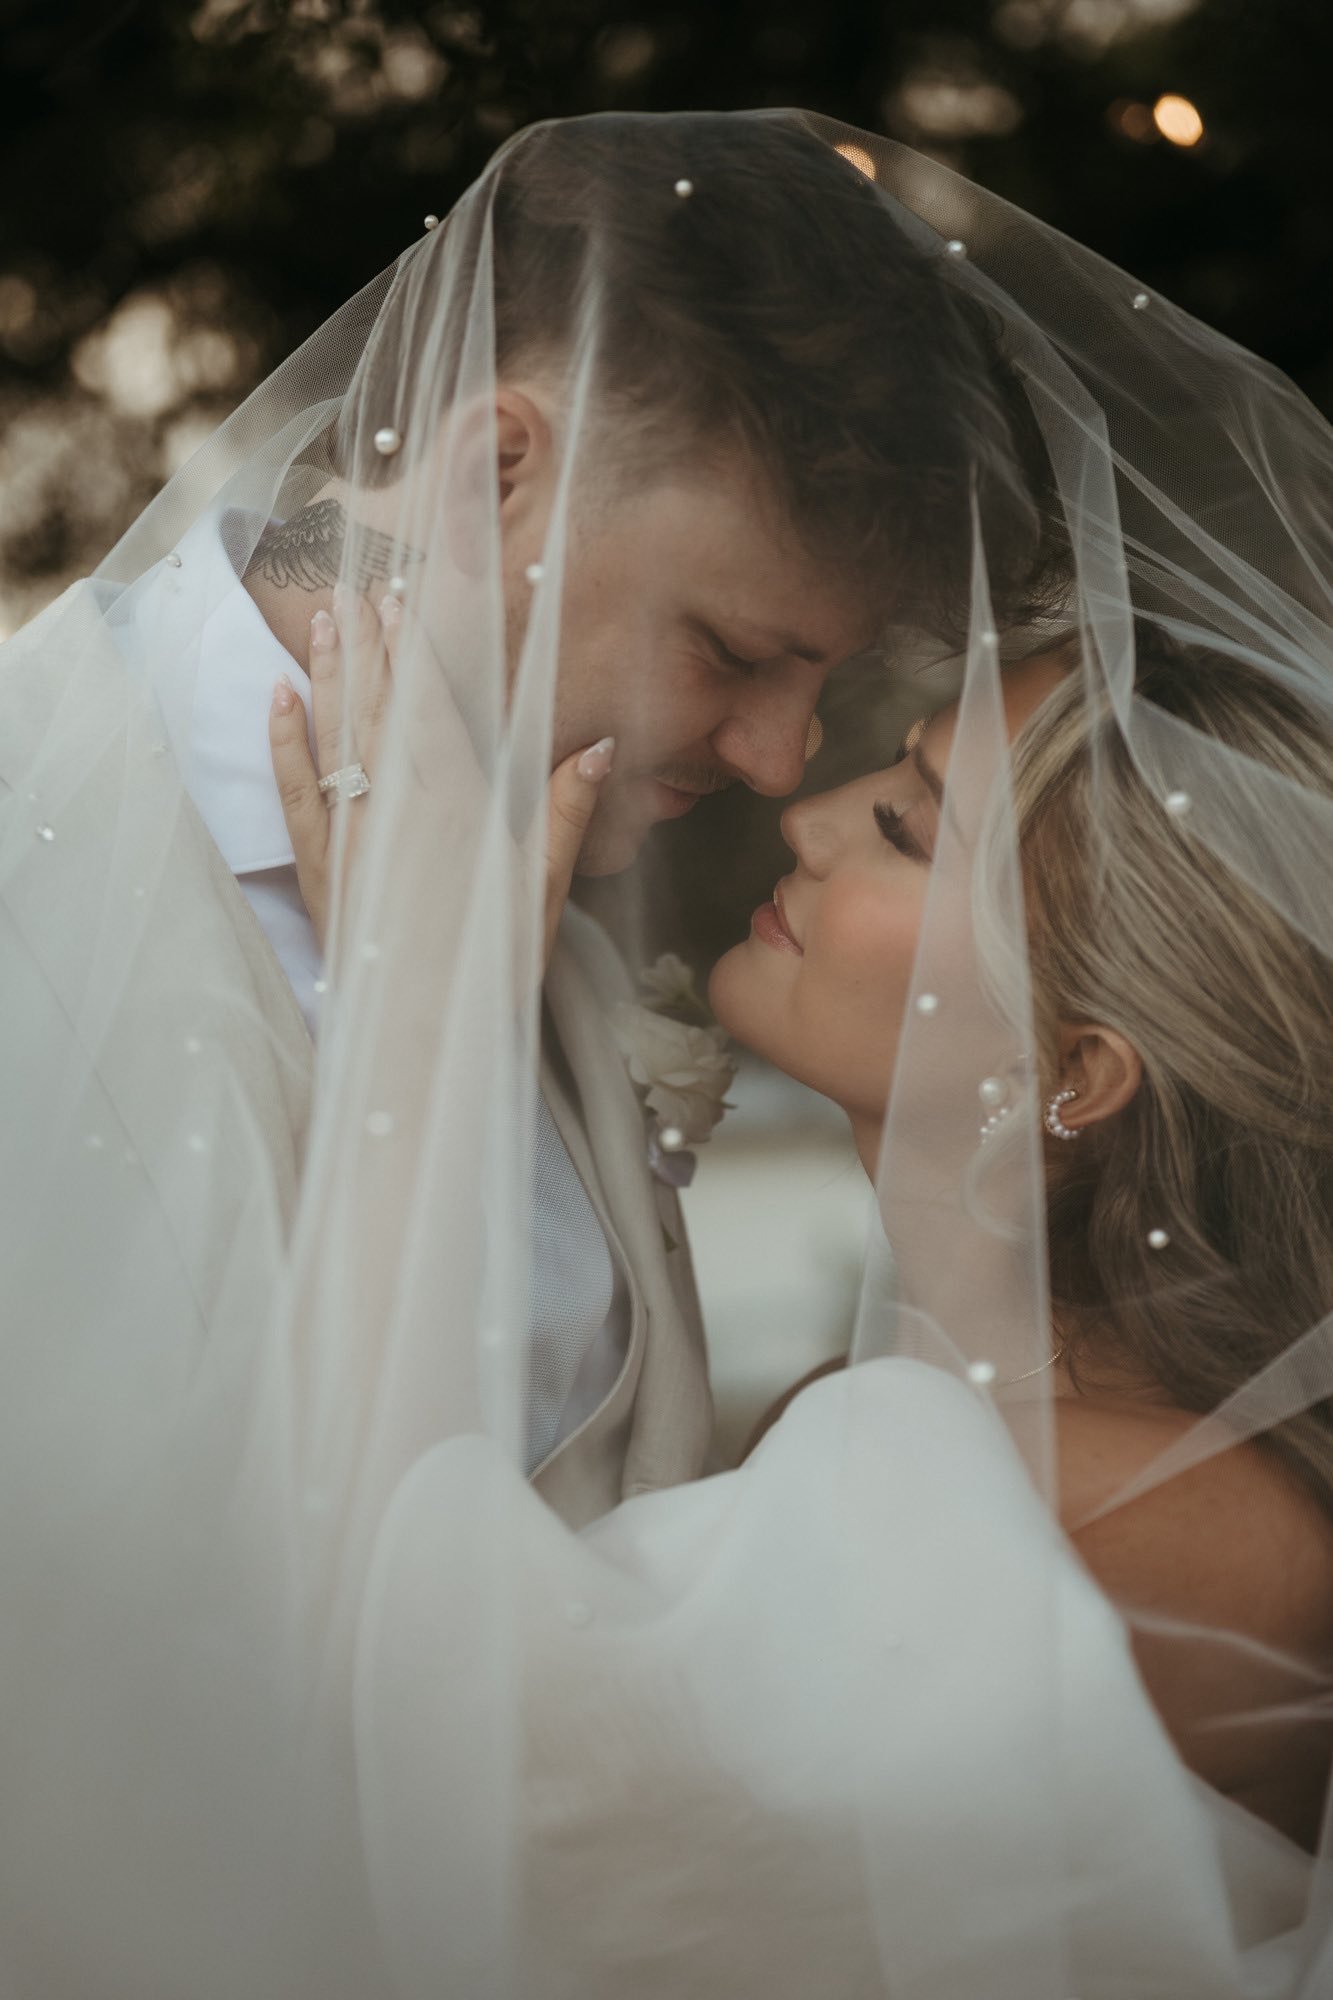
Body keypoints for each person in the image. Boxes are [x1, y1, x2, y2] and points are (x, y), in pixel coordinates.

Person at [2, 109, 1332, 1999]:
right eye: (734, 647)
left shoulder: (544, 920)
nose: (791, 768)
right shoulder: (30, 839)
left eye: (838, 702)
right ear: (497, 473)